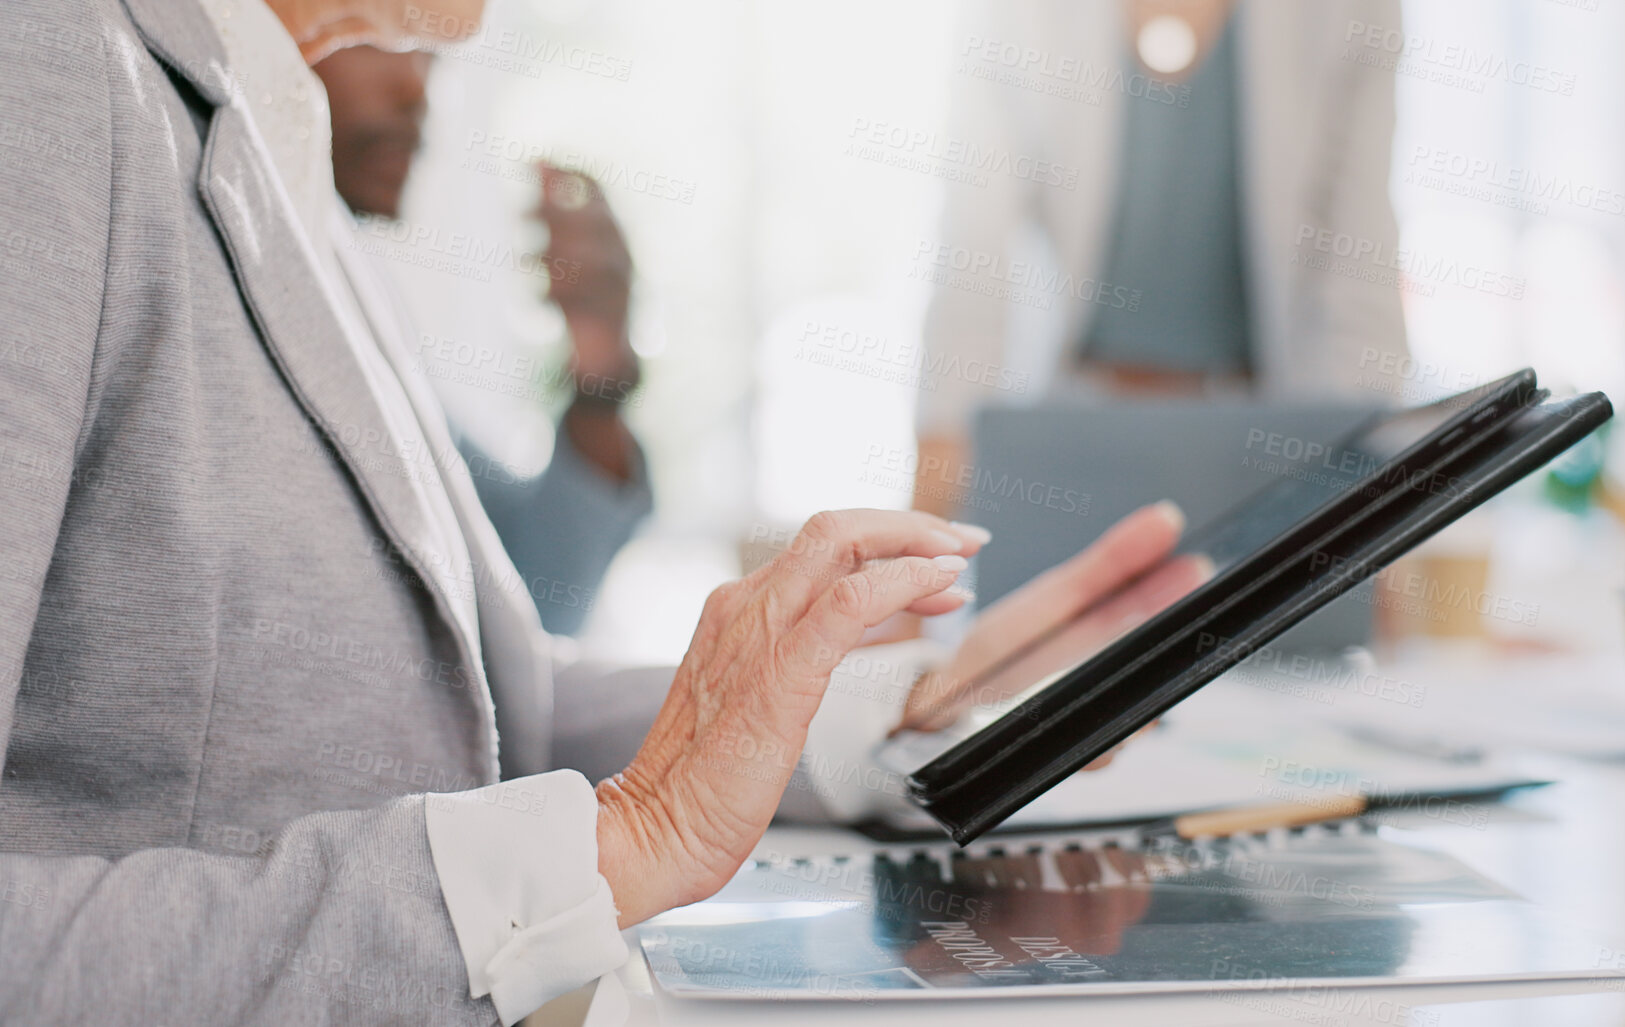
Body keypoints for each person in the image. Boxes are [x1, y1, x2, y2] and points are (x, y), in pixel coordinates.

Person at [0, 0, 1184, 1022]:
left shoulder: (279, 148)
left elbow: (487, 711)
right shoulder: (45, 68)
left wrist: (894, 706)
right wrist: (612, 848)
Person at [913, 0, 1410, 514]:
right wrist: (928, 514)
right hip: (1068, 441)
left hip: (1266, 449)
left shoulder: (1352, 11)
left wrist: (1379, 507)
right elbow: (971, 259)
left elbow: (1361, 272)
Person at [313, 46, 652, 636]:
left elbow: (529, 596)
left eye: (432, 59)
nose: (416, 91)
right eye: (386, 38)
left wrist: (601, 366)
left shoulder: (358, 301)